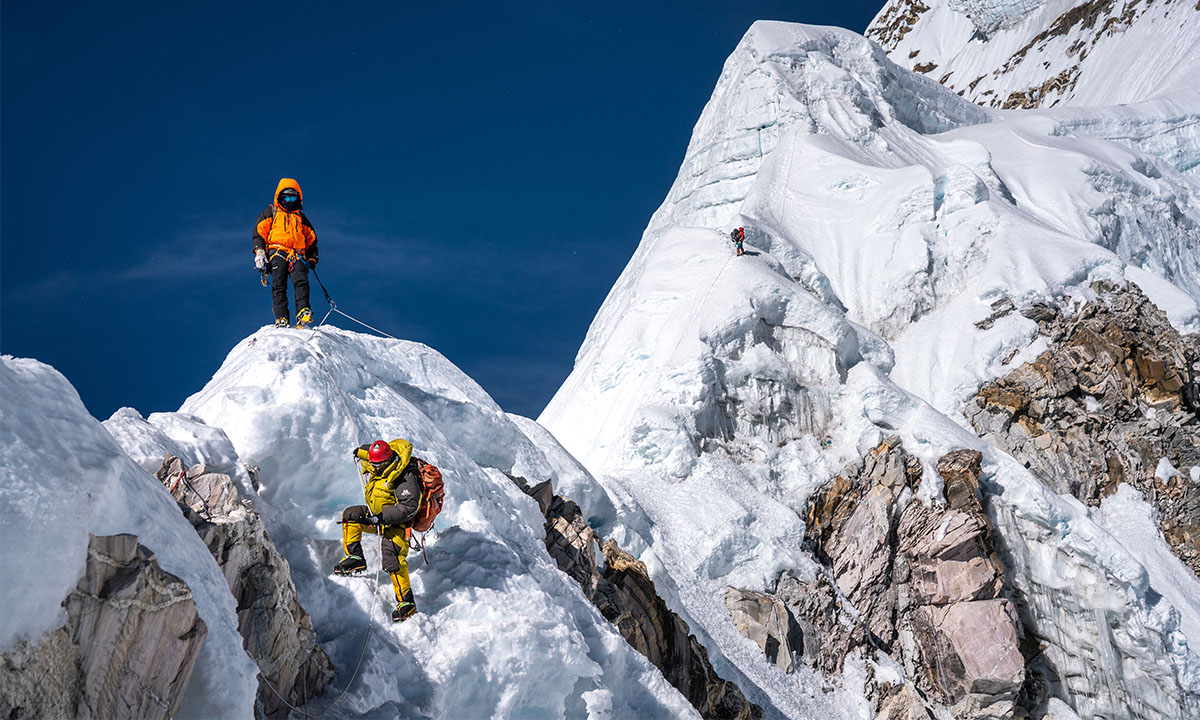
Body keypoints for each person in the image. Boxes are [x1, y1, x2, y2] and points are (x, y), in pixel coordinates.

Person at [333, 439, 422, 622]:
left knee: (393, 557)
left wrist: (381, 518)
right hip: (376, 517)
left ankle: (407, 603)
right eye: (373, 464)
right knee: (351, 515)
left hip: (397, 524)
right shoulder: (377, 462)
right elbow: (367, 452)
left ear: (388, 460)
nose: (376, 468)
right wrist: (359, 452)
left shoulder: (404, 476)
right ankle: (356, 558)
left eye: (379, 465)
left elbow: (409, 507)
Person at [253, 178, 318, 328]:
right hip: (277, 252)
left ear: (298, 198)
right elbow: (259, 232)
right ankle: (281, 316)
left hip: (297, 254)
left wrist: (312, 258)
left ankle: (303, 311)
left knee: (301, 282)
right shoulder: (271, 212)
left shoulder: (300, 218)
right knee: (278, 284)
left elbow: (311, 239)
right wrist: (260, 251)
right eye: (286, 197)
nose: (289, 201)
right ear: (279, 198)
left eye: (293, 197)